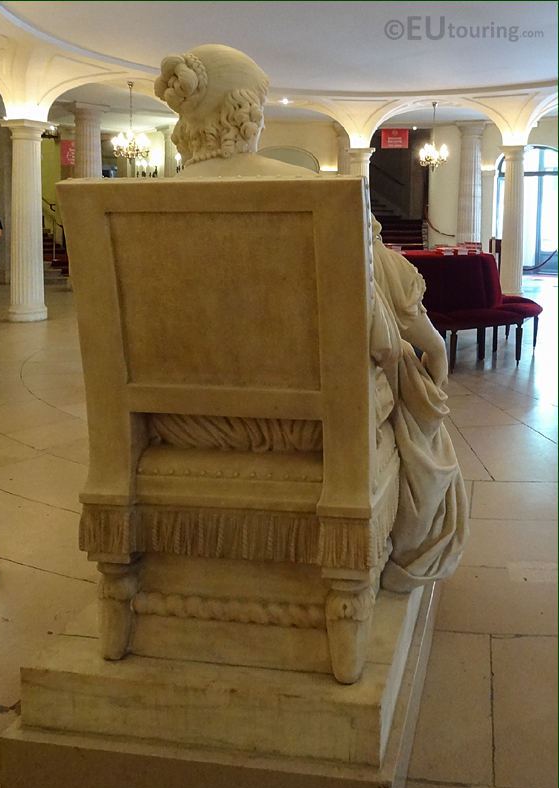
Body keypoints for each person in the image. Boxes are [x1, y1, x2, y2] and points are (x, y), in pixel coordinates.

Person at [154, 44, 468, 592]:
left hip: (179, 419)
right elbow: (391, 332)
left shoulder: (138, 210)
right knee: (417, 398)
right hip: (309, 425)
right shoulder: (324, 197)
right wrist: (432, 350)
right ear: (250, 112)